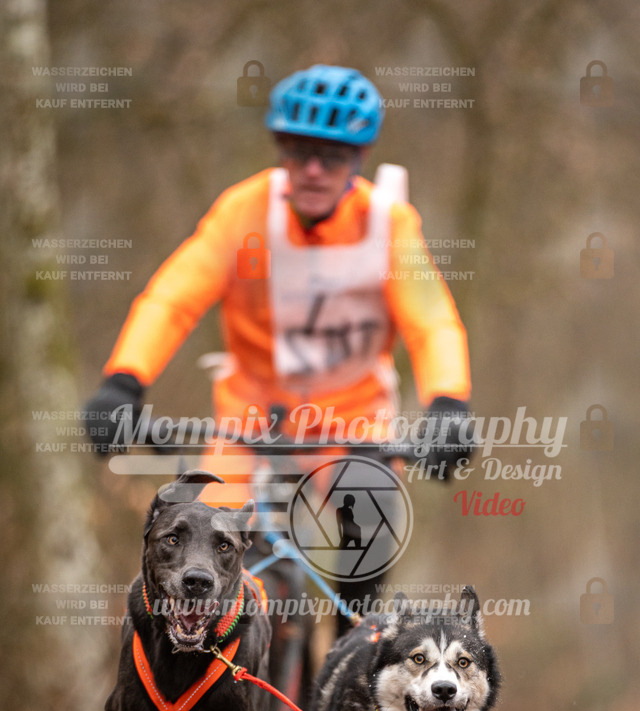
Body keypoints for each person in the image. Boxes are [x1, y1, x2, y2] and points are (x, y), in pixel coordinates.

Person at [85, 63, 473, 609]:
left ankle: (352, 655)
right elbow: (174, 297)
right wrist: (123, 380)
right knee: (207, 534)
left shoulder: (389, 224)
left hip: (352, 419)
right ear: (280, 150)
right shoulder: (242, 212)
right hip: (252, 414)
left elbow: (431, 322)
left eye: (332, 157)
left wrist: (448, 401)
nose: (312, 170)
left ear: (357, 160)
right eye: (297, 151)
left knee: (370, 523)